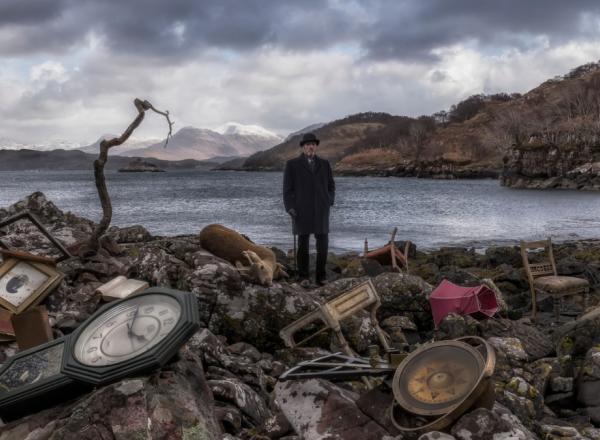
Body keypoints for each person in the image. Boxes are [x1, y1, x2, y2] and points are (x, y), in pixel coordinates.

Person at [283, 132, 335, 287]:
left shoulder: (325, 164)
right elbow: (287, 190)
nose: (310, 147)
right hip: (301, 210)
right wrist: (290, 207)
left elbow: (331, 186)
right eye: (307, 144)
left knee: (323, 245)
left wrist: (329, 201)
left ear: (316, 146)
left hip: (321, 210)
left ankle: (321, 277)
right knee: (303, 245)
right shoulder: (292, 164)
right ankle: (303, 277)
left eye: (313, 144)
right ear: (303, 147)